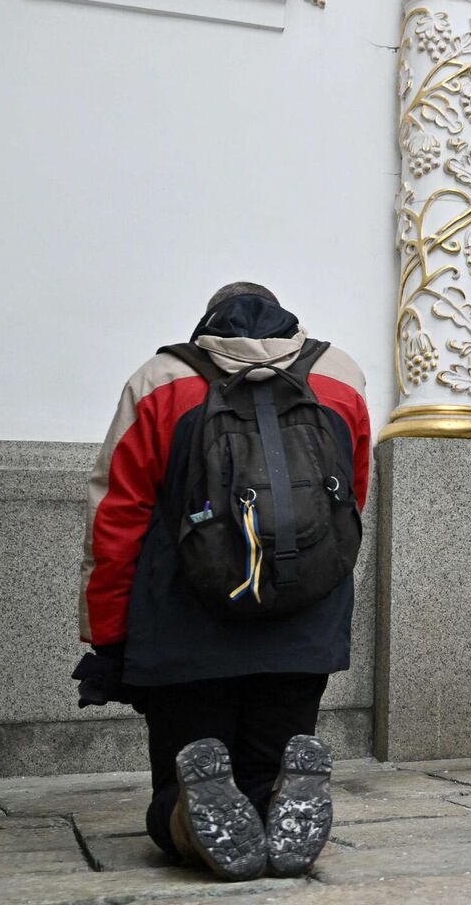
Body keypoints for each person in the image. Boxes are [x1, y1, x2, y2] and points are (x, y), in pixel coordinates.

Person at [73, 283, 371, 881]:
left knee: (180, 779)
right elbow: (351, 501)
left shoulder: (159, 381)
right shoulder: (341, 376)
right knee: (269, 765)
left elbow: (118, 519)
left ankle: (185, 816)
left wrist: (108, 637)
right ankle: (278, 802)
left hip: (186, 625)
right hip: (302, 625)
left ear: (205, 326)